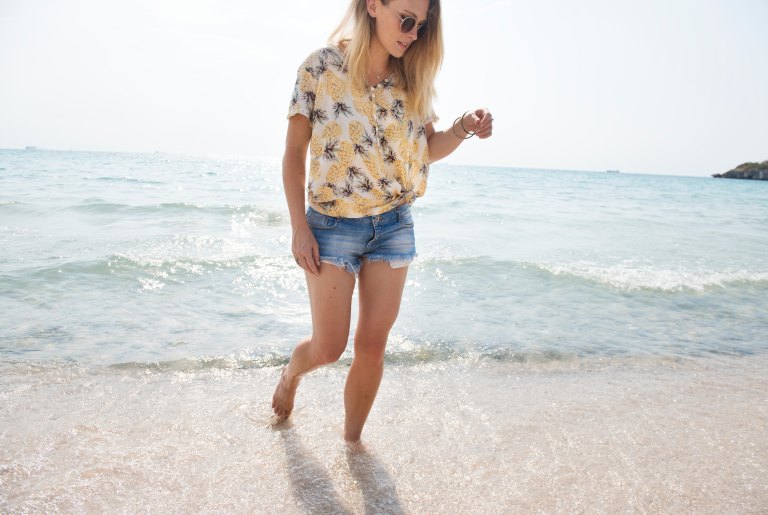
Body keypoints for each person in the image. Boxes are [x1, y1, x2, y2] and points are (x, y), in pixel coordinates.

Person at [272, 0, 493, 442]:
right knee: (329, 348)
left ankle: (353, 447)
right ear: (374, 5)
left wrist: (463, 127)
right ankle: (291, 375)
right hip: (332, 225)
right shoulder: (320, 68)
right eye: (406, 21)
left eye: (420, 27)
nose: (412, 35)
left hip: (393, 225)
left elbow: (426, 147)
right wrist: (299, 227)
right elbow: (295, 153)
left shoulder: (411, 78)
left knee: (372, 348)